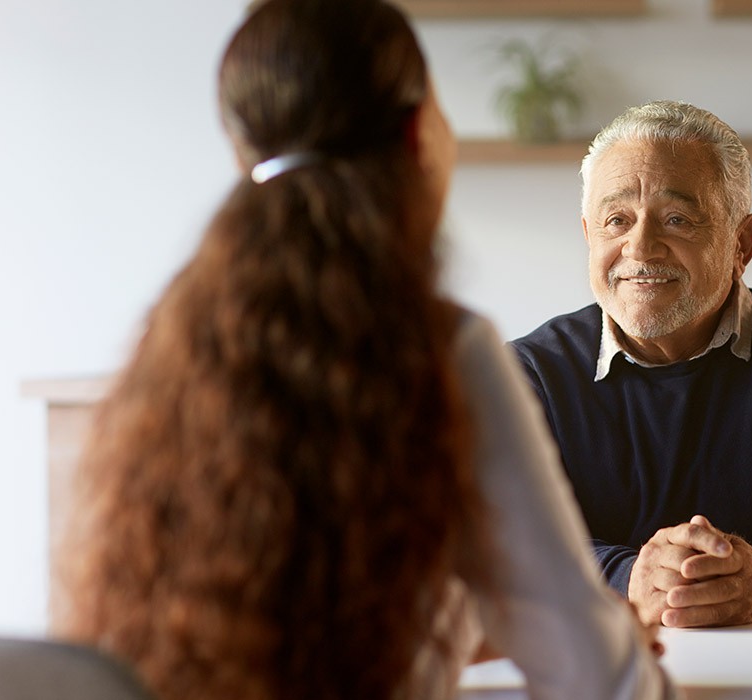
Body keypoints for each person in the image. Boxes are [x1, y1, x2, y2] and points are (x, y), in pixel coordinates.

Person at [52, 2, 676, 699]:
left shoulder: (172, 341)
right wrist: (604, 642)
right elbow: (603, 684)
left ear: (242, 150)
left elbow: (284, 614)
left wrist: (486, 632)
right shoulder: (442, 351)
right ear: (416, 137)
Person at [510, 100, 752, 629]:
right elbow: (504, 539)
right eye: (617, 220)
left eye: (677, 219)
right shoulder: (529, 373)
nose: (641, 247)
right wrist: (628, 578)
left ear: (743, 243)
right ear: (589, 236)